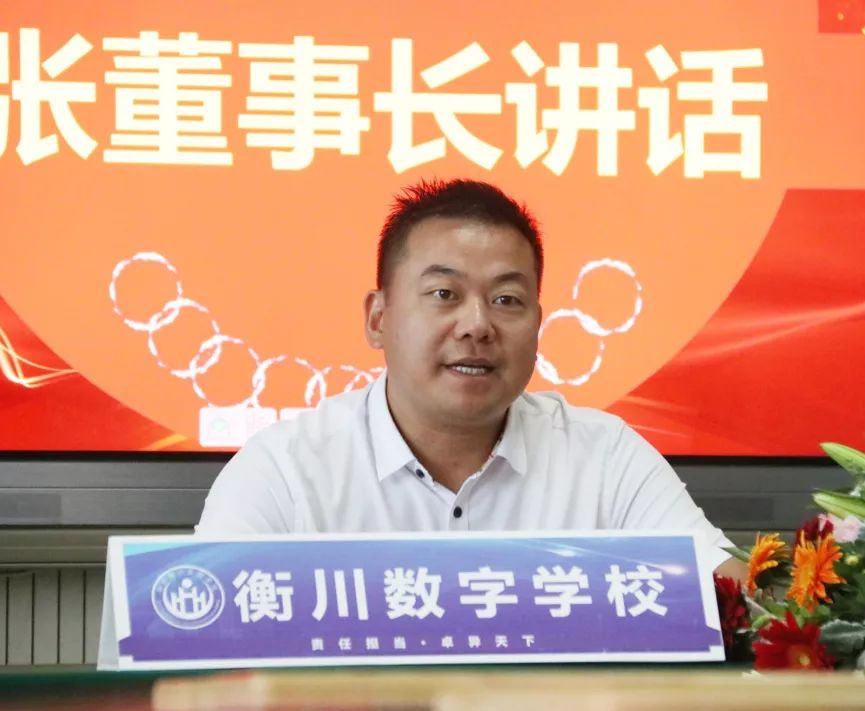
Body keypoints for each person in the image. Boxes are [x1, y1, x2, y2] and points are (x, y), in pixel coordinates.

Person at [196, 178, 746, 580]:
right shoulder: (285, 471)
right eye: (444, 294)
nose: (477, 325)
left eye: (507, 300)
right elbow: (196, 632)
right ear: (378, 319)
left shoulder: (605, 459)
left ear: (537, 324)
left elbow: (733, 602)